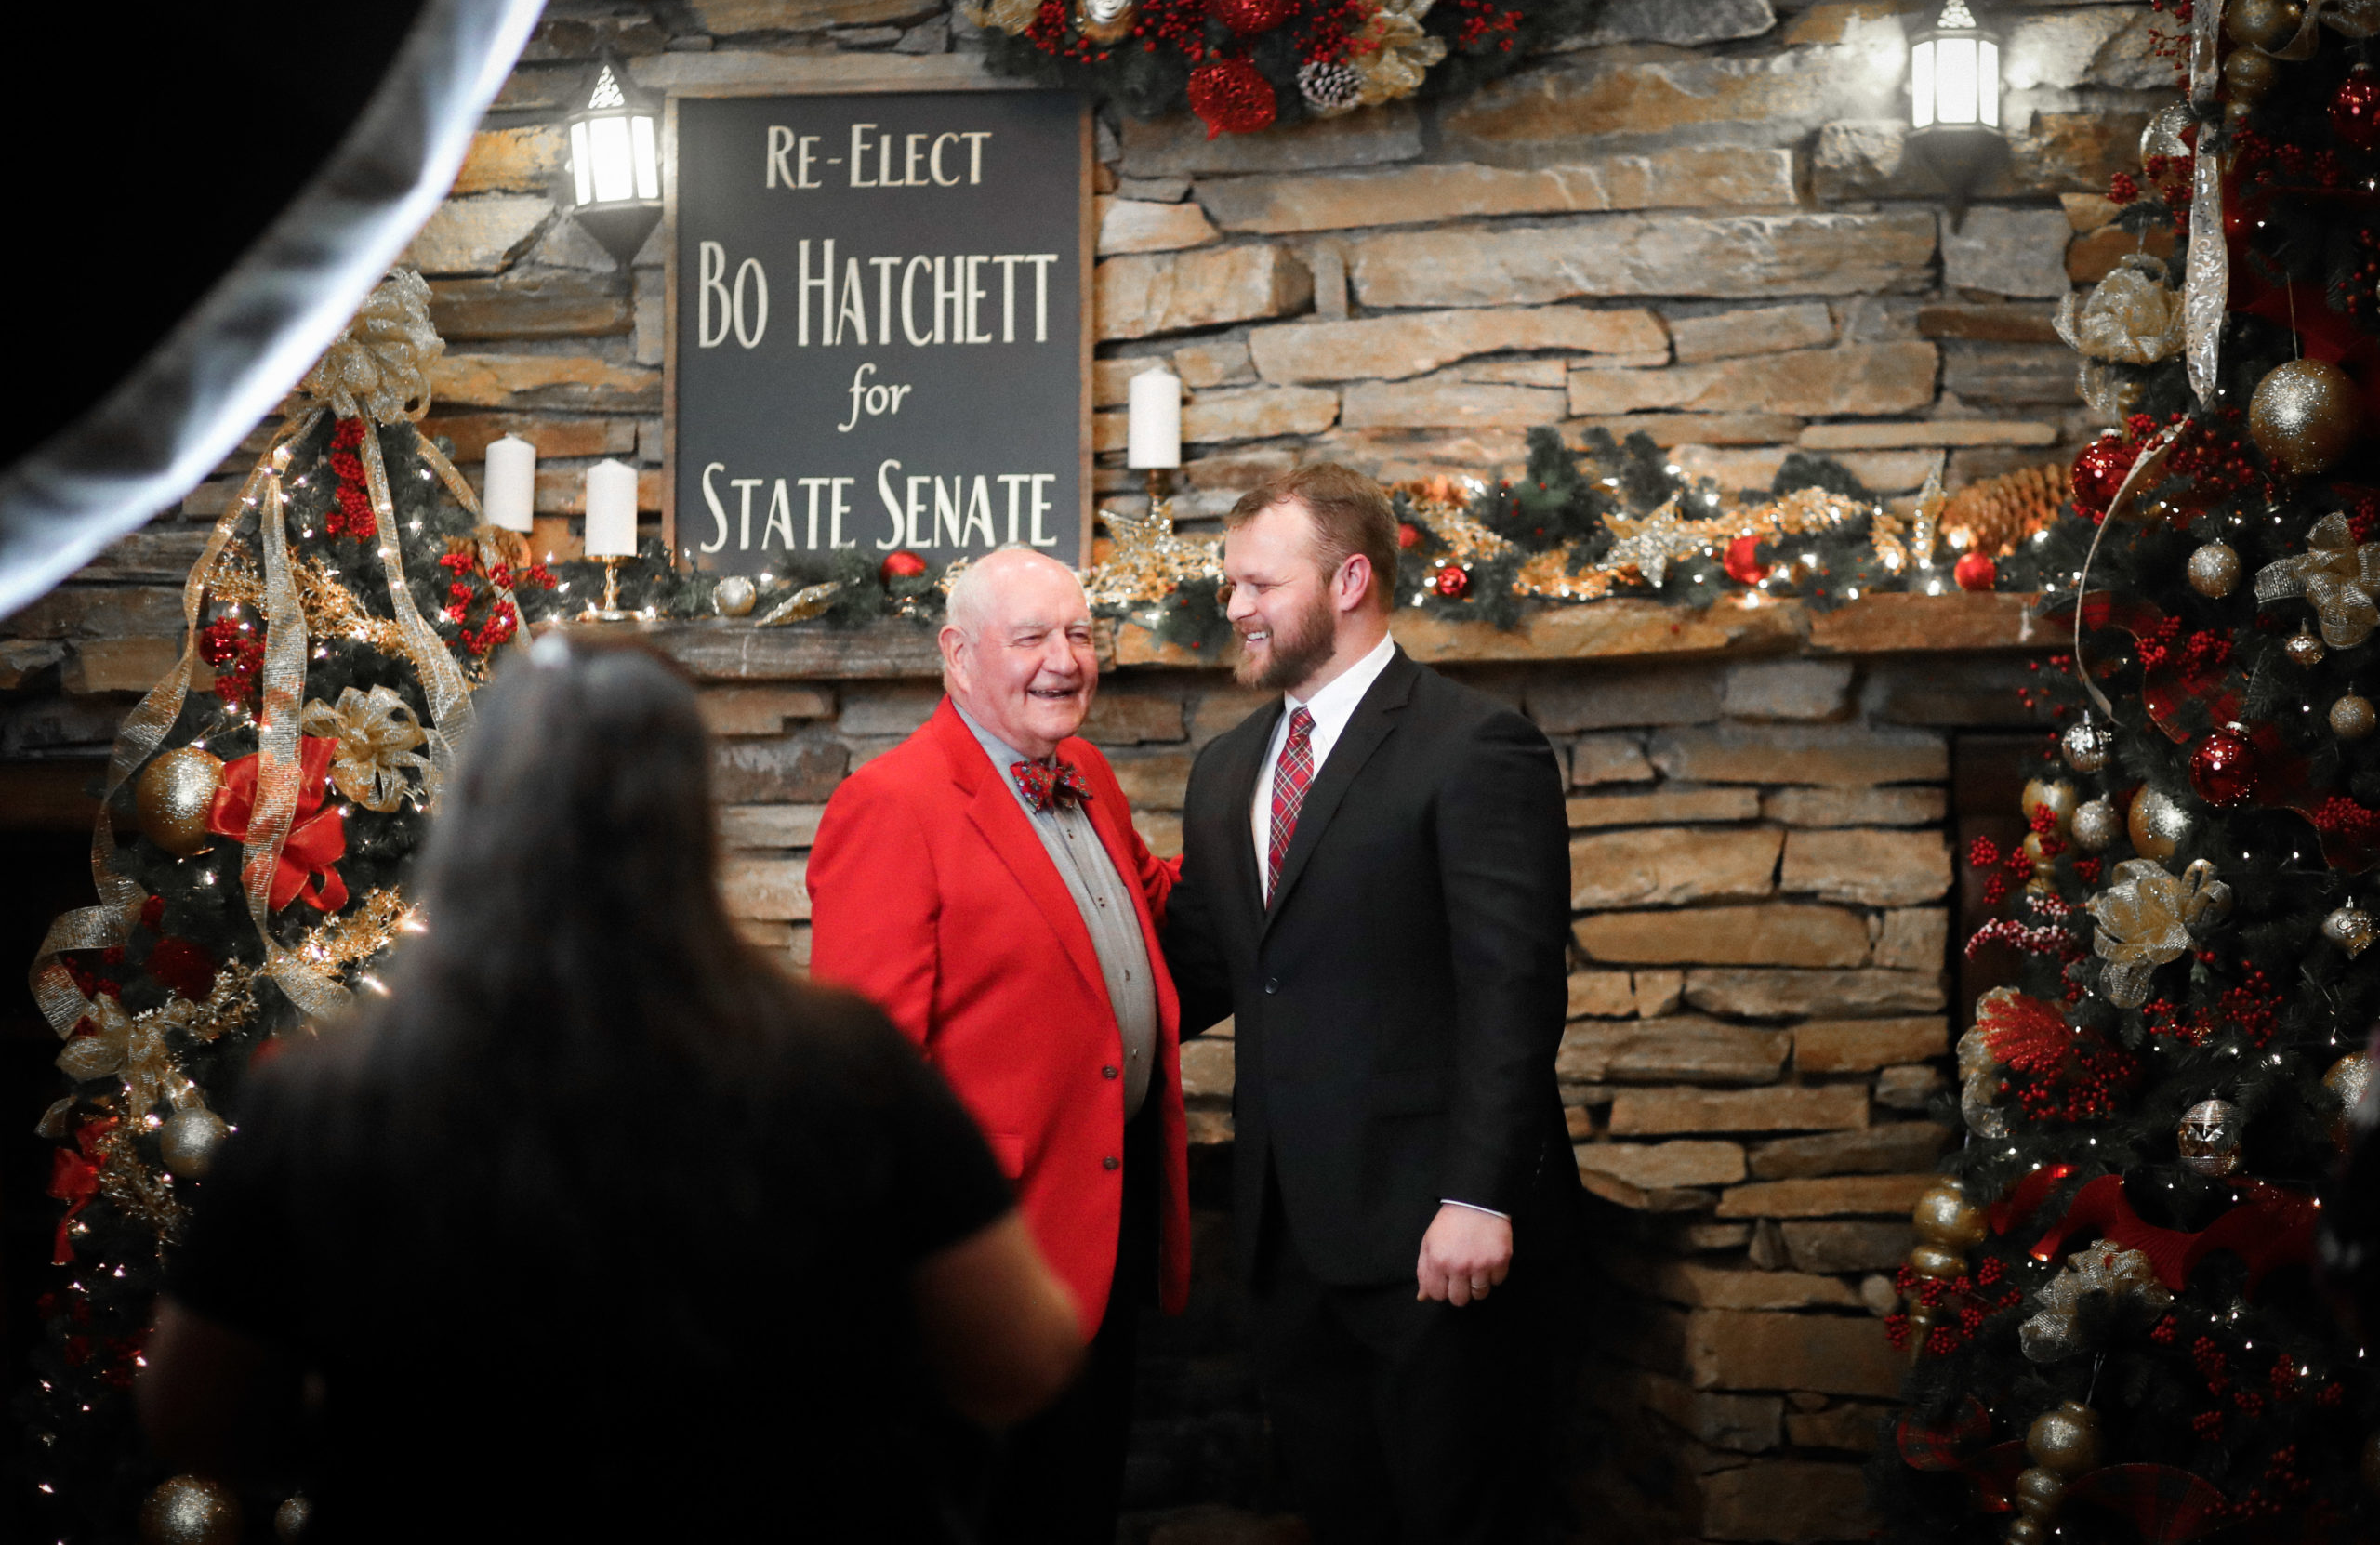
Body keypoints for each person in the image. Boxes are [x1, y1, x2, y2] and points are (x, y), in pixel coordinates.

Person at [138, 638, 1083, 1543]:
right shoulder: (845, 1065)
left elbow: (193, 1415)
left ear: (475, 812)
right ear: (690, 820)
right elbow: (1020, 1356)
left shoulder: (324, 1099)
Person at [1162, 464, 1581, 1544]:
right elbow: (1202, 971)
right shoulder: (1225, 770)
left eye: (1259, 583)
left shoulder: (1472, 746)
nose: (1235, 606)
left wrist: (1479, 1199)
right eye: (1230, 582)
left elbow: (1513, 992)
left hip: (1436, 1238)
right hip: (1283, 1240)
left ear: (1350, 580)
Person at [806, 546, 1192, 1544]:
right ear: (956, 652)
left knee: (1075, 1506)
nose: (1063, 660)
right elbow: (865, 1070)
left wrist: (1291, 832)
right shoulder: (892, 804)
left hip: (1105, 1218)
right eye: (1030, 638)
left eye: (1078, 633)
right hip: (985, 1251)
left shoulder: (1088, 772)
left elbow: (1148, 906)